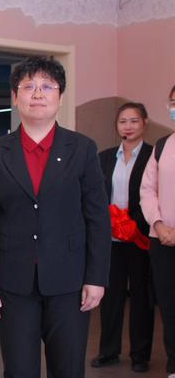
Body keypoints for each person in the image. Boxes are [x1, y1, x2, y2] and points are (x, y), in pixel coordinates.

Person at [0, 56, 111, 378]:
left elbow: (97, 217)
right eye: (29, 86)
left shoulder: (82, 148)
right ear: (15, 97)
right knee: (19, 369)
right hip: (13, 283)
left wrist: (97, 277)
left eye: (47, 86)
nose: (38, 93)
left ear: (60, 97)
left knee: (68, 368)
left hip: (70, 280)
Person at [92, 102, 154, 372]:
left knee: (141, 297)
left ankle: (140, 354)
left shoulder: (153, 155)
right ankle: (108, 351)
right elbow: (96, 195)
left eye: (134, 121)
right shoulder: (105, 157)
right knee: (111, 297)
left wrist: (134, 223)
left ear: (145, 123)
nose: (128, 126)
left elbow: (154, 194)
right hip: (111, 238)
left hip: (141, 236)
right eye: (122, 122)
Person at [140, 83, 175, 378]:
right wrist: (159, 224)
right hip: (162, 240)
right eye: (174, 102)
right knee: (170, 307)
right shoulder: (162, 146)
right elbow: (147, 190)